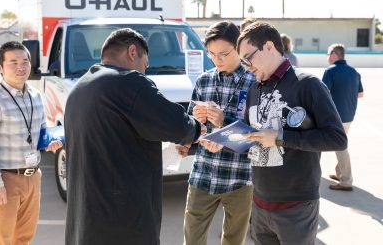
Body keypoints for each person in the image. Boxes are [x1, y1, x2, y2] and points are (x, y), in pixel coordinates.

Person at [64, 28, 204, 245]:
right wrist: (196, 127)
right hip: (121, 224)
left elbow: (118, 138)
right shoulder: (128, 81)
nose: (144, 71)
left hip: (87, 222)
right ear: (132, 52)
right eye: (145, 64)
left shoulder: (81, 87)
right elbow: (177, 125)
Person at [234, 22, 347, 244]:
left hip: (296, 204)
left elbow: (337, 138)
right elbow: (252, 133)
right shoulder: (254, 89)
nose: (246, 66)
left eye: (248, 57)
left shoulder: (308, 84)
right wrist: (226, 140)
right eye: (242, 61)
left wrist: (280, 137)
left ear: (268, 47)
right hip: (259, 200)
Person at [180, 21, 255, 245]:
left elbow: (259, 137)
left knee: (233, 240)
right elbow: (193, 127)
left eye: (223, 53)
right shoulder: (204, 80)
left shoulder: (254, 83)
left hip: (240, 177)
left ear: (239, 48)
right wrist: (192, 137)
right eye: (211, 54)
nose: (216, 60)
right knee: (192, 239)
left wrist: (224, 121)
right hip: (202, 174)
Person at [0, 41, 62, 245]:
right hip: (5, 178)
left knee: (23, 238)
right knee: (1, 240)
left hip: (33, 177)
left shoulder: (36, 96)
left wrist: (48, 143)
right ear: (0, 68)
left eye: (25, 61)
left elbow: (41, 132)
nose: (21, 67)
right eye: (13, 62)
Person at [322, 43, 364, 191]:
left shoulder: (330, 71)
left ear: (334, 54)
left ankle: (346, 181)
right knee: (342, 142)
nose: (327, 57)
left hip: (335, 116)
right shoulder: (354, 71)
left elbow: (322, 94)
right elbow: (360, 94)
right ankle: (340, 173)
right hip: (349, 116)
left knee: (340, 147)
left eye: (328, 54)